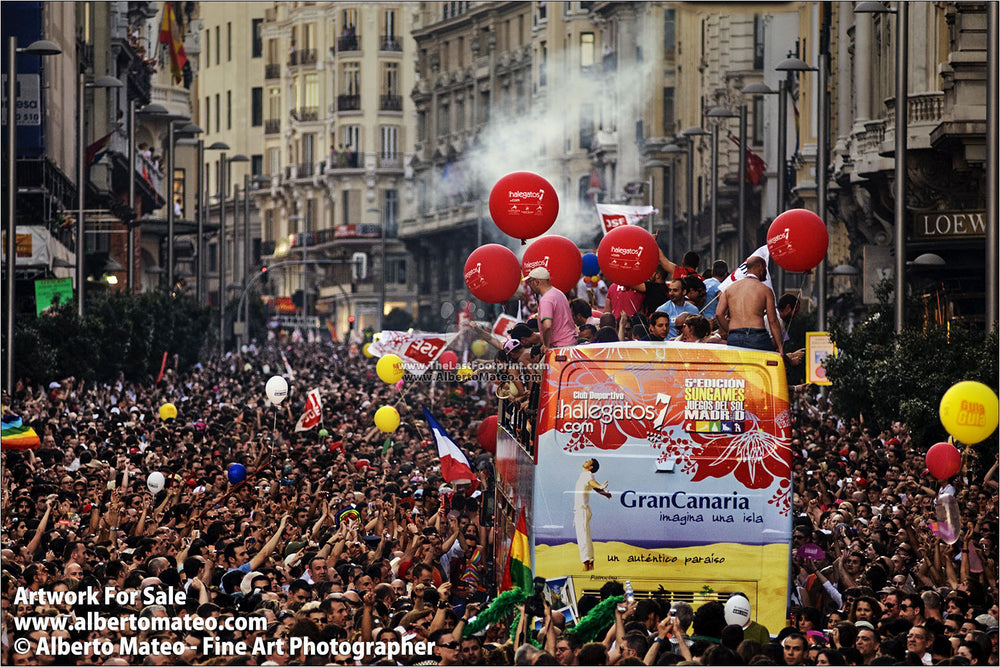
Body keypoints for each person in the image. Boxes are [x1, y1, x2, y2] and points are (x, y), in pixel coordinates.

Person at [716, 255, 783, 354]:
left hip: (735, 336)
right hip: (757, 336)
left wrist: (731, 331)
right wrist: (780, 346)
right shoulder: (765, 290)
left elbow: (718, 313)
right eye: (765, 269)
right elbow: (772, 320)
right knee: (759, 367)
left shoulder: (729, 288)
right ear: (761, 267)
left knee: (737, 368)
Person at [526, 267, 577, 351]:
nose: (529, 285)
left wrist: (546, 345)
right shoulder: (558, 293)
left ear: (536, 282)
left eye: (530, 282)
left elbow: (547, 325)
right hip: (570, 341)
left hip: (560, 346)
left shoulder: (546, 299)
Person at [574, 459, 611, 572]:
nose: (585, 461)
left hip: (582, 511)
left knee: (583, 538)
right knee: (586, 537)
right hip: (583, 510)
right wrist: (604, 493)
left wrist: (600, 487)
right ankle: (590, 563)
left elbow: (592, 484)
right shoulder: (586, 475)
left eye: (588, 461)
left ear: (590, 467)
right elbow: (594, 487)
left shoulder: (587, 475)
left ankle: (586, 564)